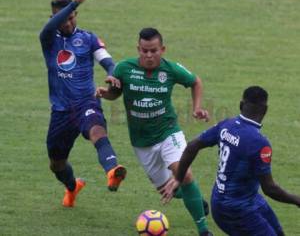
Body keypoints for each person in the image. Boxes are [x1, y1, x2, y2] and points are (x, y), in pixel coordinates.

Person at [96, 27, 212, 236]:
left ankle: (203, 229)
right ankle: (193, 198)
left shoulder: (170, 70)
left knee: (183, 173)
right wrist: (106, 93)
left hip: (168, 132)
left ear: (162, 49)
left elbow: (195, 81)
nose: (149, 55)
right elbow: (115, 93)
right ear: (138, 49)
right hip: (141, 143)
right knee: (171, 190)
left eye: (154, 51)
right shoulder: (124, 69)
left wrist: (196, 108)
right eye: (144, 51)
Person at [161, 86, 300, 235]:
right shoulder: (259, 143)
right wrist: (297, 200)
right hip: (235, 211)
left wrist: (178, 177)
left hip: (243, 199)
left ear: (241, 105)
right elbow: (269, 189)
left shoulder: (226, 125)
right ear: (265, 109)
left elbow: (192, 146)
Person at [39, 0, 126, 208]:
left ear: (76, 16)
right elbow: (49, 27)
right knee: (56, 164)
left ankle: (113, 170)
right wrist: (74, 2)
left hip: (86, 102)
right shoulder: (48, 39)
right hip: (60, 111)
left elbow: (108, 62)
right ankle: (72, 187)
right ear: (54, 18)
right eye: (62, 18)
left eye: (71, 17)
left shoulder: (88, 39)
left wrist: (111, 75)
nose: (67, 23)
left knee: (97, 130)